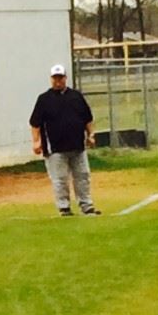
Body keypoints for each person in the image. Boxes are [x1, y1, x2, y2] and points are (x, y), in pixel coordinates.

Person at [29, 63, 102, 217]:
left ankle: (86, 205)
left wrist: (91, 135)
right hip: (55, 148)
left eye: (60, 78)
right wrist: (36, 142)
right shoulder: (44, 99)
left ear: (65, 78)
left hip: (77, 146)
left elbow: (87, 119)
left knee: (82, 176)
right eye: (55, 78)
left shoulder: (76, 96)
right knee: (60, 179)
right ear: (51, 79)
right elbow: (35, 124)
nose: (58, 81)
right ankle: (64, 207)